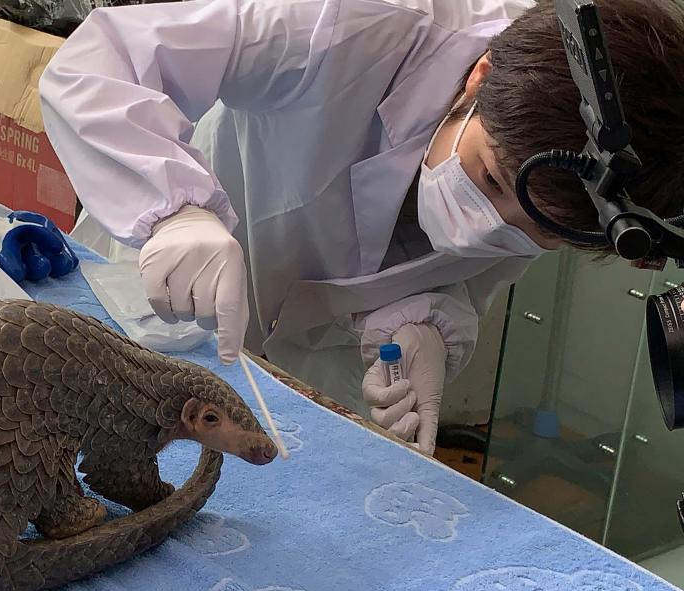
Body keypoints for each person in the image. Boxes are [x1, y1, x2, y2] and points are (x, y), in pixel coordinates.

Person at [38, 0, 684, 453]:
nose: (487, 229)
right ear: (477, 80)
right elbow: (103, 61)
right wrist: (174, 210)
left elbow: (444, 270)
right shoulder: (353, 24)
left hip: (307, 366)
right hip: (161, 279)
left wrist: (421, 324)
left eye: (535, 233)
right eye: (488, 180)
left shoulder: (587, 185)